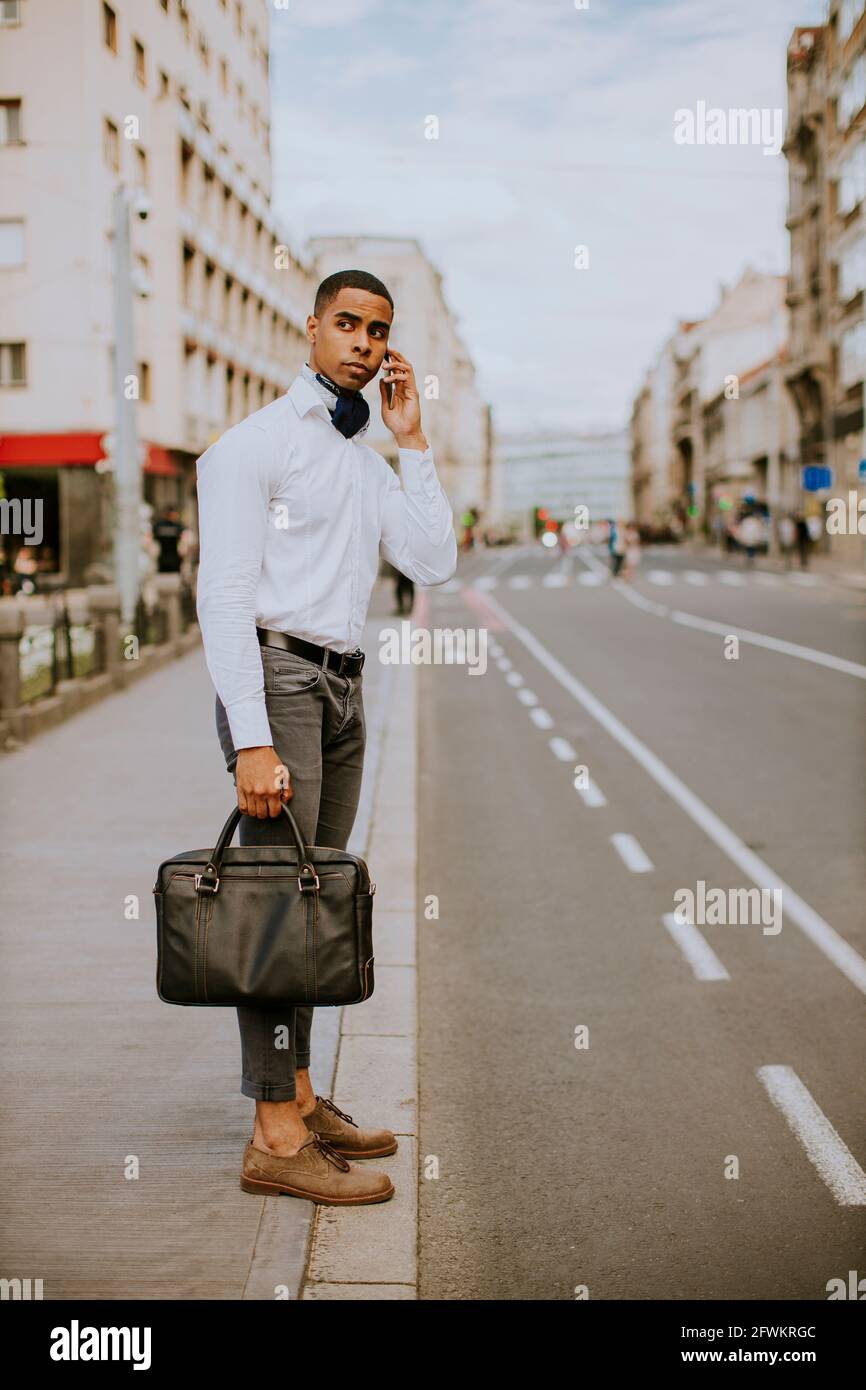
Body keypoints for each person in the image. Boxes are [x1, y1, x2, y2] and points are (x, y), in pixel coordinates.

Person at [195, 269, 457, 1205]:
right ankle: (272, 1135)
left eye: (378, 329)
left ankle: (300, 1099)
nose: (363, 341)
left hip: (343, 688)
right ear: (311, 329)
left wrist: (413, 442)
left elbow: (432, 560)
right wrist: (253, 740)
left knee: (312, 905)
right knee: (274, 911)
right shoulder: (252, 447)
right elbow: (223, 598)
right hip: (277, 684)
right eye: (347, 323)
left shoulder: (364, 458)